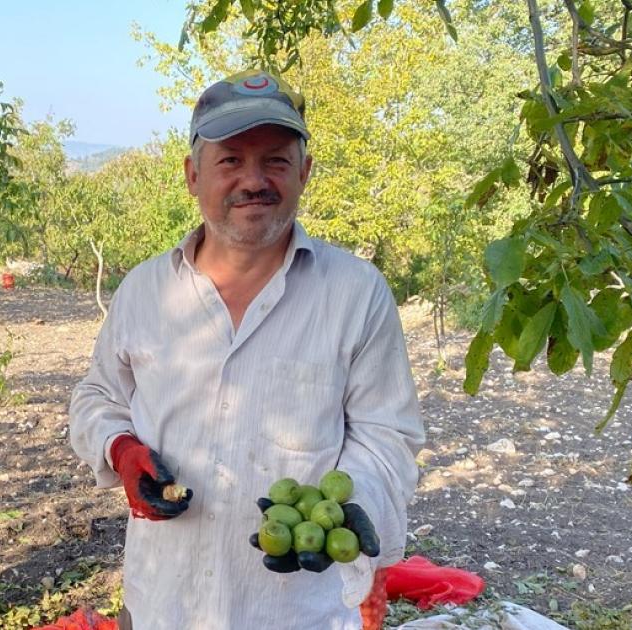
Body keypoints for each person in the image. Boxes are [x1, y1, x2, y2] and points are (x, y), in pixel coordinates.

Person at [69, 69, 424, 629]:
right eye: (231, 160)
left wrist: (357, 504)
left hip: (296, 611)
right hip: (165, 603)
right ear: (193, 175)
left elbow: (387, 434)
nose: (253, 180)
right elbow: (97, 397)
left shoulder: (356, 293)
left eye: (276, 161)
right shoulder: (143, 292)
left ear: (304, 172)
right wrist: (120, 450)